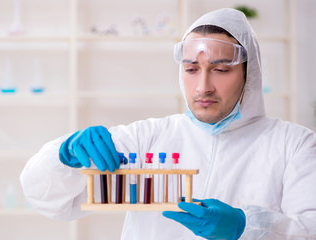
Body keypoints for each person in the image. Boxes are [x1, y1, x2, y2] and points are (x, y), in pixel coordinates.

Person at [20, 8, 316, 240]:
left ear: (249, 74)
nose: (203, 87)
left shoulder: (294, 145)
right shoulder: (146, 138)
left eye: (221, 69)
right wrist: (63, 158)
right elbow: (46, 200)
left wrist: (247, 227)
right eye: (191, 69)